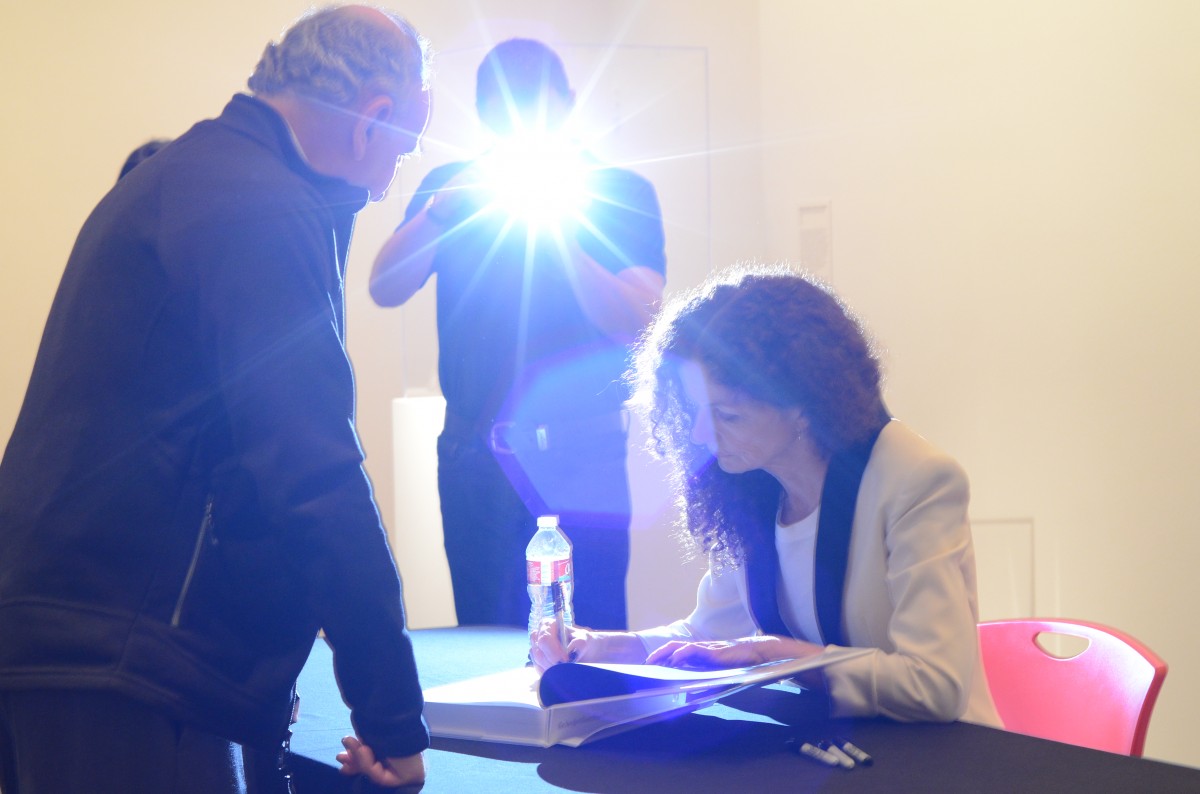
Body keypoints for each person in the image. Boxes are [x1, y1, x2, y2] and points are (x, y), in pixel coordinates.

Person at [0, 7, 434, 792]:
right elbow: (315, 474)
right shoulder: (257, 203)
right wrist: (394, 717)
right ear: (372, 119)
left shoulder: (201, 174)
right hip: (132, 659)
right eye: (407, 142)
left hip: (87, 642)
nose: (398, 168)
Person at [531, 265, 1001, 726]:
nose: (699, 434)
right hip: (846, 745)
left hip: (949, 759)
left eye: (727, 416)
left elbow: (936, 687)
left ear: (802, 406)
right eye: (695, 410)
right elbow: (707, 633)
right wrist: (599, 645)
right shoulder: (752, 486)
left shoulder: (916, 480)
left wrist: (779, 656)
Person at [370, 39, 667, 630]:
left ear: (567, 105)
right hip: (476, 455)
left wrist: (563, 234)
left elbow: (641, 319)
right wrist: (441, 211)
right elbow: (385, 285)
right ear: (485, 118)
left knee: (594, 636)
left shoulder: (615, 192)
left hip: (582, 455)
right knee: (484, 638)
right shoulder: (455, 188)